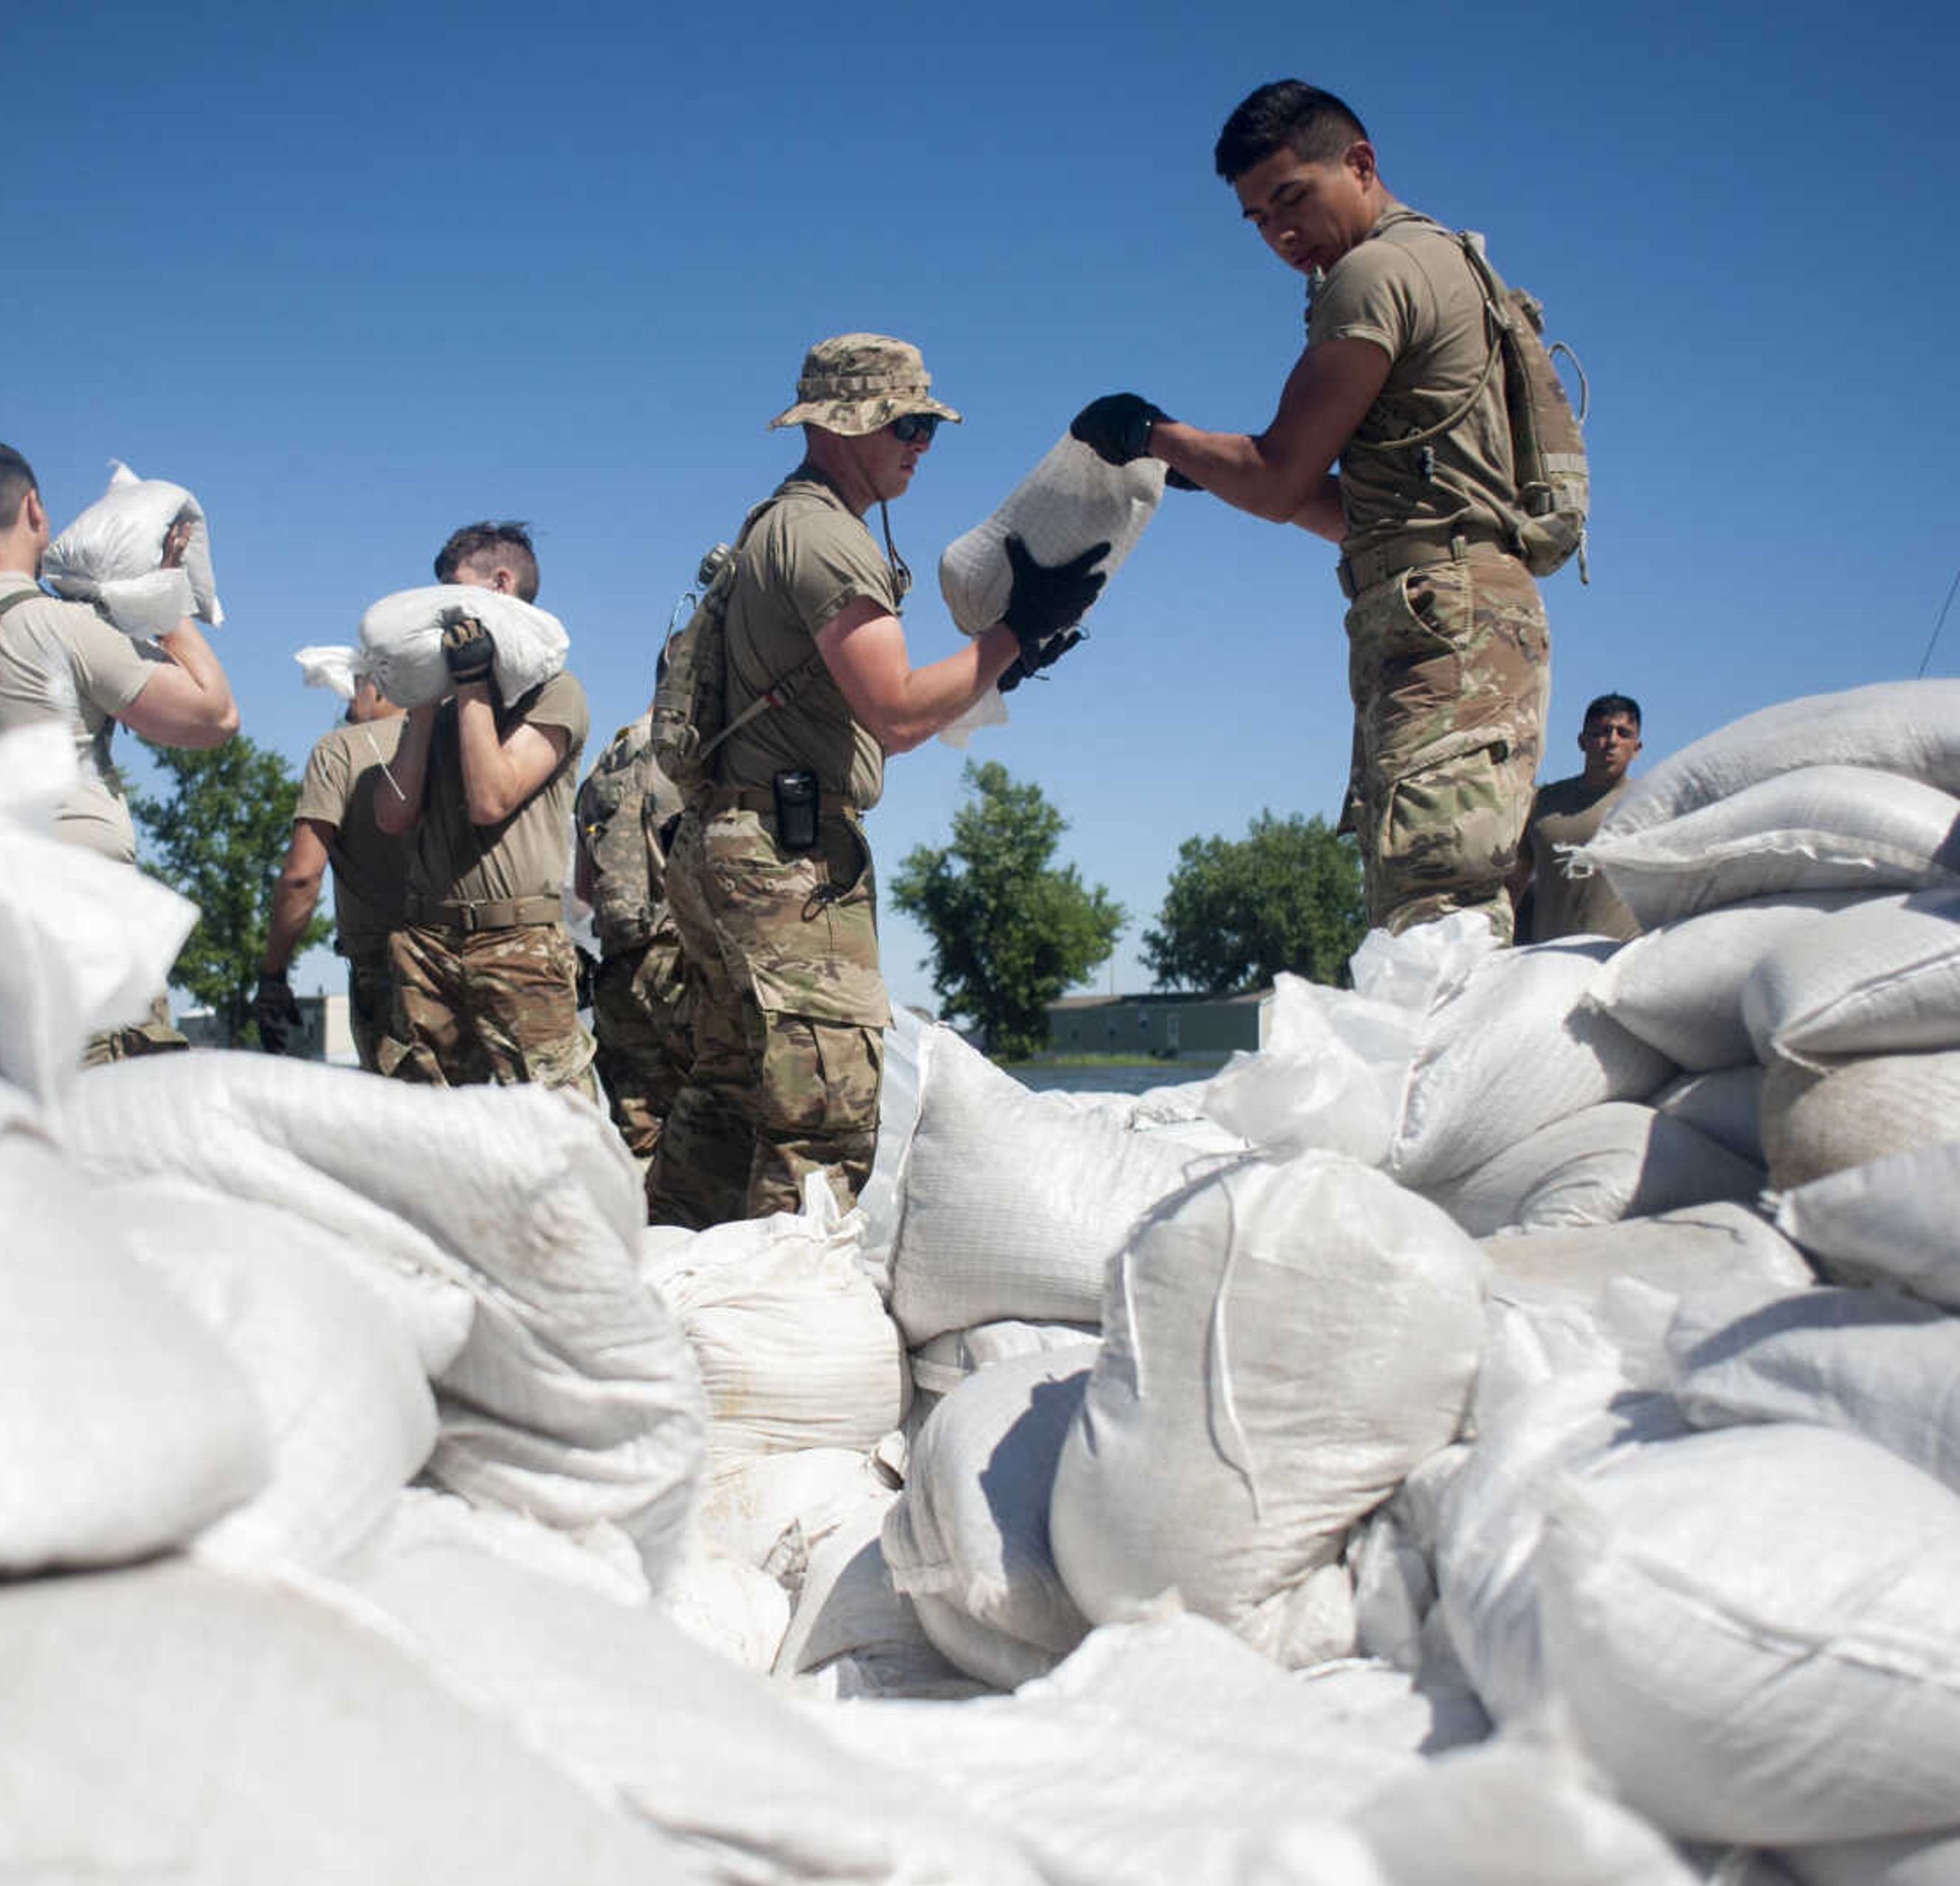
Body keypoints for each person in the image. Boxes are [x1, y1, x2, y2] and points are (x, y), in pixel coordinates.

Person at [1067, 79, 1554, 940]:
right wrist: (1214, 471)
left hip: (1445, 629)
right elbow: (1356, 512)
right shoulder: (1444, 261)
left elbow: (1279, 476)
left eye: (1293, 198)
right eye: (1258, 218)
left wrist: (1157, 435)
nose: (1280, 233)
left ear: (1360, 164)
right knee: (1430, 913)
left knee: (1433, 926)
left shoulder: (1371, 275)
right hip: (1461, 614)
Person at [644, 334, 1108, 1229]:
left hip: (731, 840)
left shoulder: (779, 525)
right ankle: (788, 1326)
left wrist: (997, 662)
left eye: (929, 424)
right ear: (846, 423)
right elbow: (894, 713)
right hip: (788, 854)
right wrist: (1017, 631)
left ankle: (669, 1298)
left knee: (730, 1094)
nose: (922, 441)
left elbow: (873, 724)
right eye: (906, 422)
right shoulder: (826, 538)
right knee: (824, 1112)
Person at [0, 440, 238, 1060]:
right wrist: (160, 595)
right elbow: (214, 715)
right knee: (101, 1137)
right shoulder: (63, 628)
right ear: (34, 508)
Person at [370, 521, 596, 1094]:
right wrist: (424, 701)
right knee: (431, 1146)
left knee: (558, 1141)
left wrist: (472, 684)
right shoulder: (441, 709)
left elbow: (491, 798)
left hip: (517, 946)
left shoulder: (556, 694)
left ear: (499, 586)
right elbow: (392, 815)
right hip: (427, 948)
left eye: (454, 590)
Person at [258, 677, 408, 1068]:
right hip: (469, 960)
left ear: (380, 683)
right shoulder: (459, 739)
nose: (346, 706)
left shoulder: (340, 748)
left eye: (355, 686)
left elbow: (302, 877)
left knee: (400, 1119)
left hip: (386, 974)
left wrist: (273, 974)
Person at [573, 691, 687, 1161]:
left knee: (641, 1141)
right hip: (684, 966)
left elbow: (584, 888)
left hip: (618, 974)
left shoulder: (603, 769)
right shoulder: (692, 753)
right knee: (716, 1133)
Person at [1512, 693, 1644, 942]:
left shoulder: (1649, 803)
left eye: (1623, 733)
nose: (1612, 741)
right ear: (1582, 741)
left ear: (1636, 748)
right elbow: (1514, 882)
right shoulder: (1543, 801)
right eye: (1602, 732)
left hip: (1616, 959)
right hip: (1546, 957)